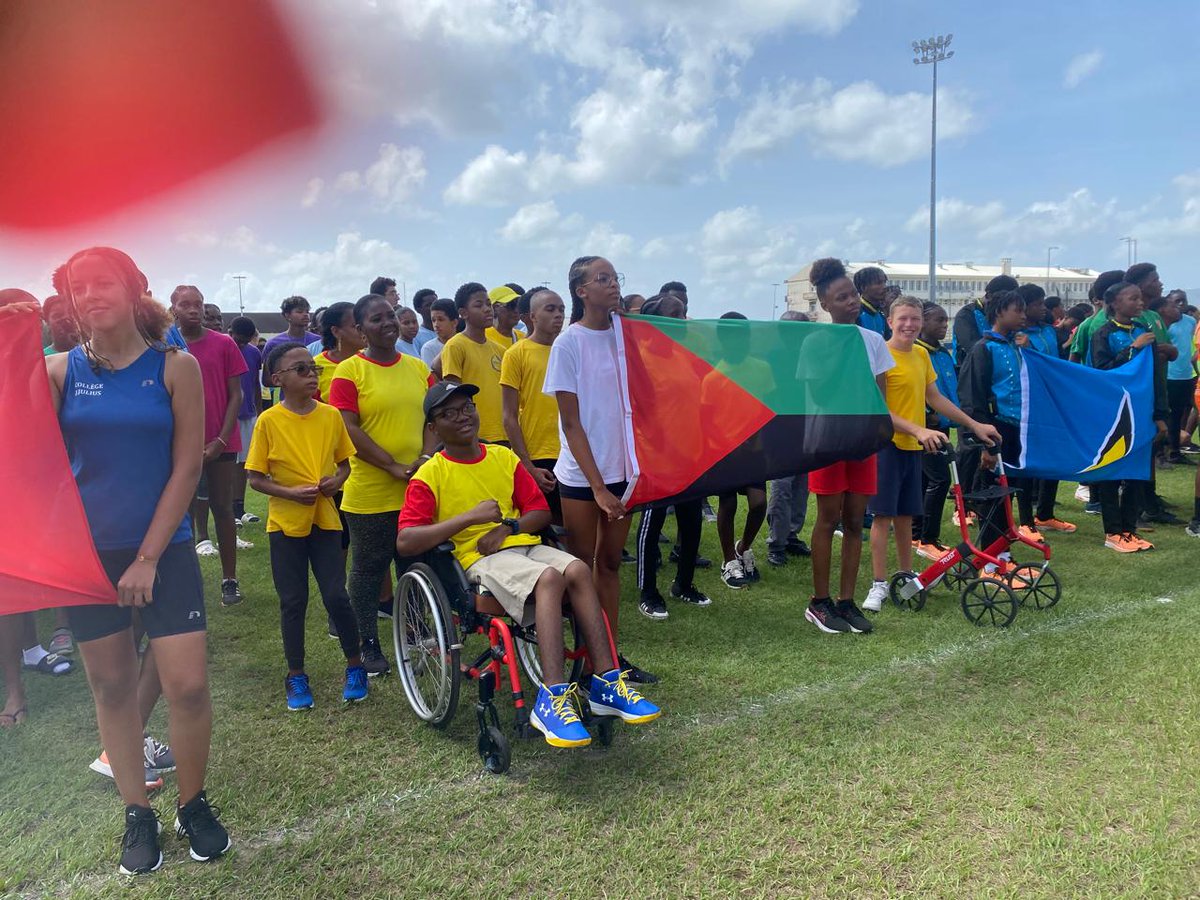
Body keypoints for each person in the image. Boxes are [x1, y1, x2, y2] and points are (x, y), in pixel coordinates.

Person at [47, 247, 229, 874]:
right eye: (79, 287)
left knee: (188, 685)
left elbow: (187, 464)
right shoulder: (58, 371)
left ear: (132, 290)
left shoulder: (173, 368)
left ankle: (193, 803)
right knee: (114, 686)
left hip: (166, 550)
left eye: (103, 283)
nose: (90, 295)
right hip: (88, 556)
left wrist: (149, 556)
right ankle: (138, 814)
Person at [396, 382, 660, 747]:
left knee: (580, 569)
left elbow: (538, 511)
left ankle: (605, 682)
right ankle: (552, 698)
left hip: (521, 544)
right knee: (550, 579)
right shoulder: (430, 475)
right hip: (479, 560)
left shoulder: (503, 458)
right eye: (448, 413)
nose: (463, 417)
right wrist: (469, 519)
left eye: (467, 407)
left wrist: (510, 526)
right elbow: (406, 540)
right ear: (433, 428)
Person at [545, 256, 654, 683]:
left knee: (609, 564)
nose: (612, 285)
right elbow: (571, 423)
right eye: (602, 279)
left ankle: (608, 657)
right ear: (581, 291)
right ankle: (584, 659)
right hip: (581, 477)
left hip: (623, 470)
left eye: (615, 278)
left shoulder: (628, 337)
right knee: (580, 567)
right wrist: (597, 488)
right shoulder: (568, 344)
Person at [246, 343, 368, 710]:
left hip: (325, 519)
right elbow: (255, 478)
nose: (311, 375)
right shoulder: (269, 421)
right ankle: (296, 676)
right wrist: (288, 493)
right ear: (276, 379)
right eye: (300, 370)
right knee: (293, 600)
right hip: (285, 523)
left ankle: (355, 665)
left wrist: (337, 481)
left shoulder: (330, 415)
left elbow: (345, 464)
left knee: (336, 594)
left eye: (313, 368)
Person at [863, 296, 1001, 613]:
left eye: (915, 318)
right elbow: (879, 409)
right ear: (889, 321)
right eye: (903, 319)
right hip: (887, 445)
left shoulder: (922, 355)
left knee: (906, 516)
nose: (909, 324)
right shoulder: (880, 356)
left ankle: (908, 576)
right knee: (883, 517)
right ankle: (879, 584)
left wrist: (974, 424)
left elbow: (935, 398)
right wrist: (918, 430)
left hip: (914, 447)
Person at [329, 294, 437, 676]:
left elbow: (433, 418)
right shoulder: (350, 372)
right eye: (376, 319)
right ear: (360, 330)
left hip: (417, 486)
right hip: (372, 491)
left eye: (390, 315)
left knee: (416, 562)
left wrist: (423, 459)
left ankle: (419, 633)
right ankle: (367, 642)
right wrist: (391, 466)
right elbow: (348, 427)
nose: (388, 323)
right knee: (369, 569)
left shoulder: (417, 367)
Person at [630, 294, 709, 619]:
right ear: (655, 322)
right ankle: (648, 592)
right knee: (653, 522)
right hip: (657, 456)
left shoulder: (685, 355)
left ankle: (683, 584)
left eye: (684, 312)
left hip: (690, 454)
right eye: (675, 314)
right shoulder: (641, 359)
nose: (683, 319)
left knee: (691, 522)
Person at [170, 286, 247, 606]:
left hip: (220, 441)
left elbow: (236, 395)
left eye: (198, 304)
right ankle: (185, 582)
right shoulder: (163, 344)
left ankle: (230, 579)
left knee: (222, 507)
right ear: (172, 308)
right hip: (177, 443)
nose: (193, 310)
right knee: (181, 513)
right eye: (185, 304)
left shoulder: (224, 343)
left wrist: (220, 440)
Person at [958, 289, 1044, 565]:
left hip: (1018, 430)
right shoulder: (983, 349)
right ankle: (994, 556)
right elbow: (974, 400)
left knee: (1011, 490)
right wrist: (987, 445)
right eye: (1017, 310)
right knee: (994, 494)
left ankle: (1004, 547)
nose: (1023, 315)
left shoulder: (1017, 347)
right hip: (995, 431)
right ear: (998, 313)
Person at [1089, 282, 1163, 552]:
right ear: (1115, 303)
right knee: (1112, 470)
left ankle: (1129, 530)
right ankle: (1112, 532)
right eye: (1133, 298)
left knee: (1136, 472)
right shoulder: (1103, 334)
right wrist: (1133, 348)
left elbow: (1156, 377)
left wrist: (1160, 414)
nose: (1140, 303)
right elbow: (1103, 372)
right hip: (1114, 412)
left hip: (1142, 411)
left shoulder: (1145, 332)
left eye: (1141, 298)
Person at [709, 312, 770, 589]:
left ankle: (743, 547)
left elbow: (767, 407)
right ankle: (728, 561)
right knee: (728, 503)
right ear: (723, 339)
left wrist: (759, 437)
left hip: (754, 448)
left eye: (744, 335)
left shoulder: (760, 368)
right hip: (724, 451)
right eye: (733, 336)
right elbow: (707, 419)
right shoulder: (712, 376)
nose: (739, 340)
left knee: (759, 503)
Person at [1014, 285, 1076, 535]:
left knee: (1054, 457)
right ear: (1024, 307)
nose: (1043, 308)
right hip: (1028, 405)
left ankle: (1045, 514)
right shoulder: (1016, 335)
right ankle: (1026, 520)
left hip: (1053, 400)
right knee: (1028, 462)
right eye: (1038, 304)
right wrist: (1027, 348)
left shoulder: (1049, 331)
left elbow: (1056, 363)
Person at [500, 287, 565, 525]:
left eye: (561, 309)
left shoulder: (568, 349)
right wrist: (527, 465)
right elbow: (508, 416)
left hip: (572, 451)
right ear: (532, 316)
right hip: (539, 453)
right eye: (550, 309)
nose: (558, 315)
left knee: (575, 527)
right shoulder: (516, 354)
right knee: (548, 525)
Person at [766, 310, 812, 567]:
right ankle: (776, 542)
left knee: (801, 487)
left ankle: (791, 534)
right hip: (780, 429)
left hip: (806, 428)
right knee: (782, 487)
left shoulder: (812, 356)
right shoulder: (773, 357)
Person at [913, 302, 957, 559]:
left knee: (926, 480)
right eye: (938, 320)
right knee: (939, 479)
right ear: (923, 322)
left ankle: (918, 533)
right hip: (926, 428)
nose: (944, 325)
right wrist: (928, 415)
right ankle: (927, 538)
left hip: (943, 425)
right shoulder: (919, 353)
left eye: (945, 320)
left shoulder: (942, 354)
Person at [442, 283, 507, 443]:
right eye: (479, 305)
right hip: (475, 435)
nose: (487, 309)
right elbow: (452, 392)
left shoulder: (500, 350)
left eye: (489, 304)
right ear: (463, 313)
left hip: (503, 433)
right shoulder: (455, 345)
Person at [228, 316, 263, 528]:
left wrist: (259, 412)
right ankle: (227, 510)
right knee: (228, 464)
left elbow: (256, 386)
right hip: (227, 417)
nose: (237, 343)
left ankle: (239, 508)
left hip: (249, 415)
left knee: (244, 464)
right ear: (229, 331)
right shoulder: (224, 349)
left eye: (243, 341)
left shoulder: (254, 353)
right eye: (235, 337)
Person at [1158, 292, 1196, 464]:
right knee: (1165, 414)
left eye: (1183, 300)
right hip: (1169, 375)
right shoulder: (1165, 324)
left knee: (1179, 414)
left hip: (1186, 374)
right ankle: (1160, 453)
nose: (1180, 304)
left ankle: (1175, 451)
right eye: (1175, 302)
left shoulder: (1191, 322)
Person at [954, 274, 1018, 366]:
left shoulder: (1006, 315)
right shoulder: (965, 315)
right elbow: (972, 348)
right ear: (989, 295)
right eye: (1005, 299)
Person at [313, 301, 365, 403]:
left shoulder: (371, 360)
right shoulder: (315, 366)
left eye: (362, 325)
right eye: (355, 326)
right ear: (335, 331)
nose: (362, 330)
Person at [262, 296, 319, 372]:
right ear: (287, 315)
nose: (305, 314)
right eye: (300, 312)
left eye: (307, 311)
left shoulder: (318, 341)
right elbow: (267, 378)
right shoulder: (273, 343)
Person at [853, 266, 890, 338]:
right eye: (879, 283)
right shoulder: (855, 315)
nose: (884, 286)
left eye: (884, 282)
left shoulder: (881, 315)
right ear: (863, 287)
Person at [420, 298, 458, 368]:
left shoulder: (465, 343)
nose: (436, 325)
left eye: (441, 320)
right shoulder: (428, 348)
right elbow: (431, 377)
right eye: (433, 320)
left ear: (454, 322)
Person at [485, 285, 524, 349]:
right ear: (495, 308)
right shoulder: (483, 338)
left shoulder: (523, 338)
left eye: (518, 305)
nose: (516, 310)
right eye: (511, 305)